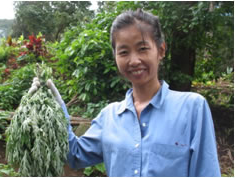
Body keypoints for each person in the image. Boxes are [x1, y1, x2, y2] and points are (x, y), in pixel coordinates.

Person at [30, 9, 221, 177]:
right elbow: (74, 155)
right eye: (123, 52)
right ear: (115, 57)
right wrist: (53, 110)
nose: (134, 60)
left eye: (143, 48)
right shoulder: (109, 117)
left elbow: (206, 172)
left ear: (161, 50)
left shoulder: (191, 108)